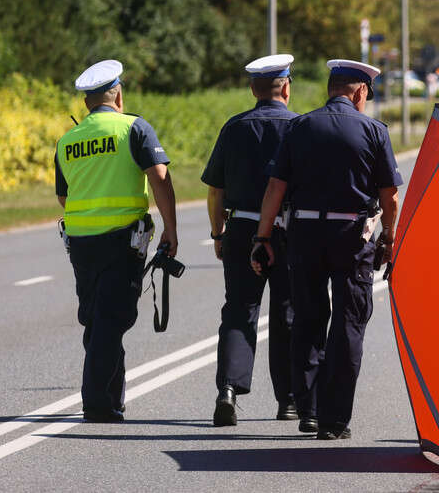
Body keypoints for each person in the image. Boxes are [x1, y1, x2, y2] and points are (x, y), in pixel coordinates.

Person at [251, 59, 402, 441]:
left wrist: (262, 238)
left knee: (308, 318)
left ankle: (310, 411)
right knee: (349, 322)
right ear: (360, 92)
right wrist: (389, 236)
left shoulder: (299, 126)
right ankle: (336, 420)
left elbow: (275, 189)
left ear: (331, 89)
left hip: (303, 233)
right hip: (352, 237)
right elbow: (390, 196)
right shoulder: (373, 130)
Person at [54, 60, 178, 423]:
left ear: (87, 102)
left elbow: (65, 196)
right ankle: (95, 400)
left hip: (80, 242)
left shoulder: (68, 140)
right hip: (122, 240)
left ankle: (112, 398)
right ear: (118, 94)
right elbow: (159, 176)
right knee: (113, 317)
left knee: (97, 318)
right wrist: (171, 229)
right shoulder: (133, 128)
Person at [202, 54, 300, 426]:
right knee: (287, 312)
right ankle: (288, 400)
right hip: (288, 230)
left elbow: (216, 191)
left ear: (252, 89)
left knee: (239, 310)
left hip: (242, 229)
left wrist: (217, 233)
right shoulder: (299, 127)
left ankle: (228, 390)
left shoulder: (235, 127)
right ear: (286, 87)